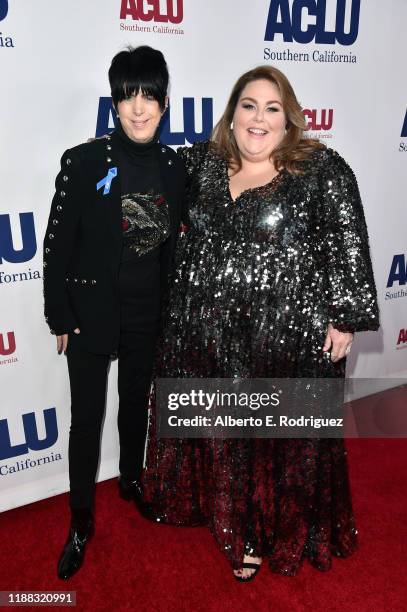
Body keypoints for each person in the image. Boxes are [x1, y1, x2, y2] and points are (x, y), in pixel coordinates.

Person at [142, 65, 379, 581]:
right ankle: (236, 523)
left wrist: (345, 317)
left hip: (288, 336)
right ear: (231, 115)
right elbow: (145, 174)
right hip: (208, 332)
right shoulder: (202, 165)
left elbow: (349, 242)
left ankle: (270, 529)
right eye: (248, 105)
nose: (258, 118)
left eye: (272, 108)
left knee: (275, 437)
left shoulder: (320, 169)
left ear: (288, 119)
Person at [43, 45, 186, 580]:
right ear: (115, 102)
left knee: (134, 408)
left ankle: (131, 481)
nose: (140, 108)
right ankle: (81, 521)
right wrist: (59, 314)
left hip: (149, 312)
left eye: (149, 96)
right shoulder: (84, 161)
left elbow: (175, 244)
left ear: (165, 102)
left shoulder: (175, 167)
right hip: (91, 313)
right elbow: (56, 244)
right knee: (86, 422)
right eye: (129, 96)